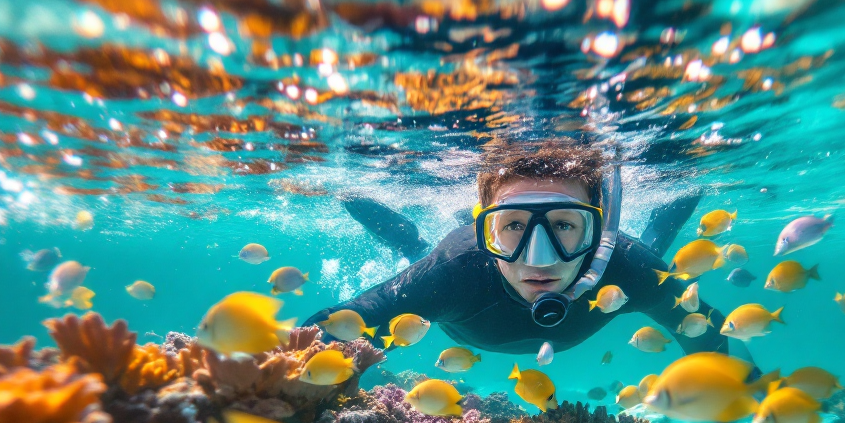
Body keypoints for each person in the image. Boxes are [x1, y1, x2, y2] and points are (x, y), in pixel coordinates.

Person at [304, 140, 733, 358]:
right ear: (486, 231)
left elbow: (708, 337)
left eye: (565, 225)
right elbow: (329, 328)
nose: (538, 259)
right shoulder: (454, 271)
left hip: (621, 263)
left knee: (651, 256)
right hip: (443, 274)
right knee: (417, 255)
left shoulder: (626, 266)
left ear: (600, 232)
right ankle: (411, 239)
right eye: (511, 227)